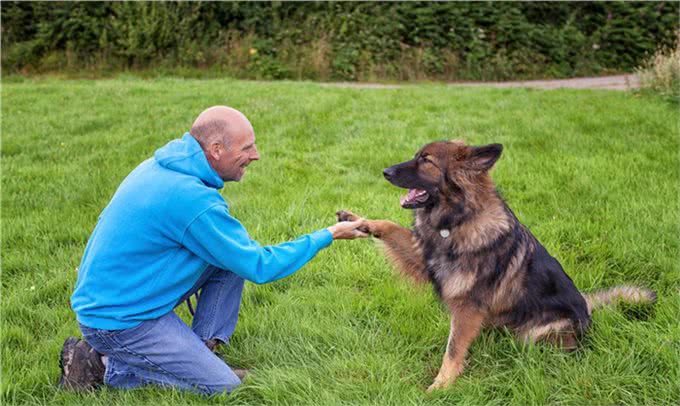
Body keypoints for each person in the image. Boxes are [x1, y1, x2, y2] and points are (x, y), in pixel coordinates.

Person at [59, 106, 366, 395]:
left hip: (129, 294)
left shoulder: (165, 167)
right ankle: (98, 365)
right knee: (225, 386)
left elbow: (241, 257)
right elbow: (261, 266)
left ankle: (200, 350)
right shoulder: (191, 198)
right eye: (247, 148)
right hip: (119, 321)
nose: (256, 156)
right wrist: (328, 235)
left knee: (230, 259)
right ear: (217, 149)